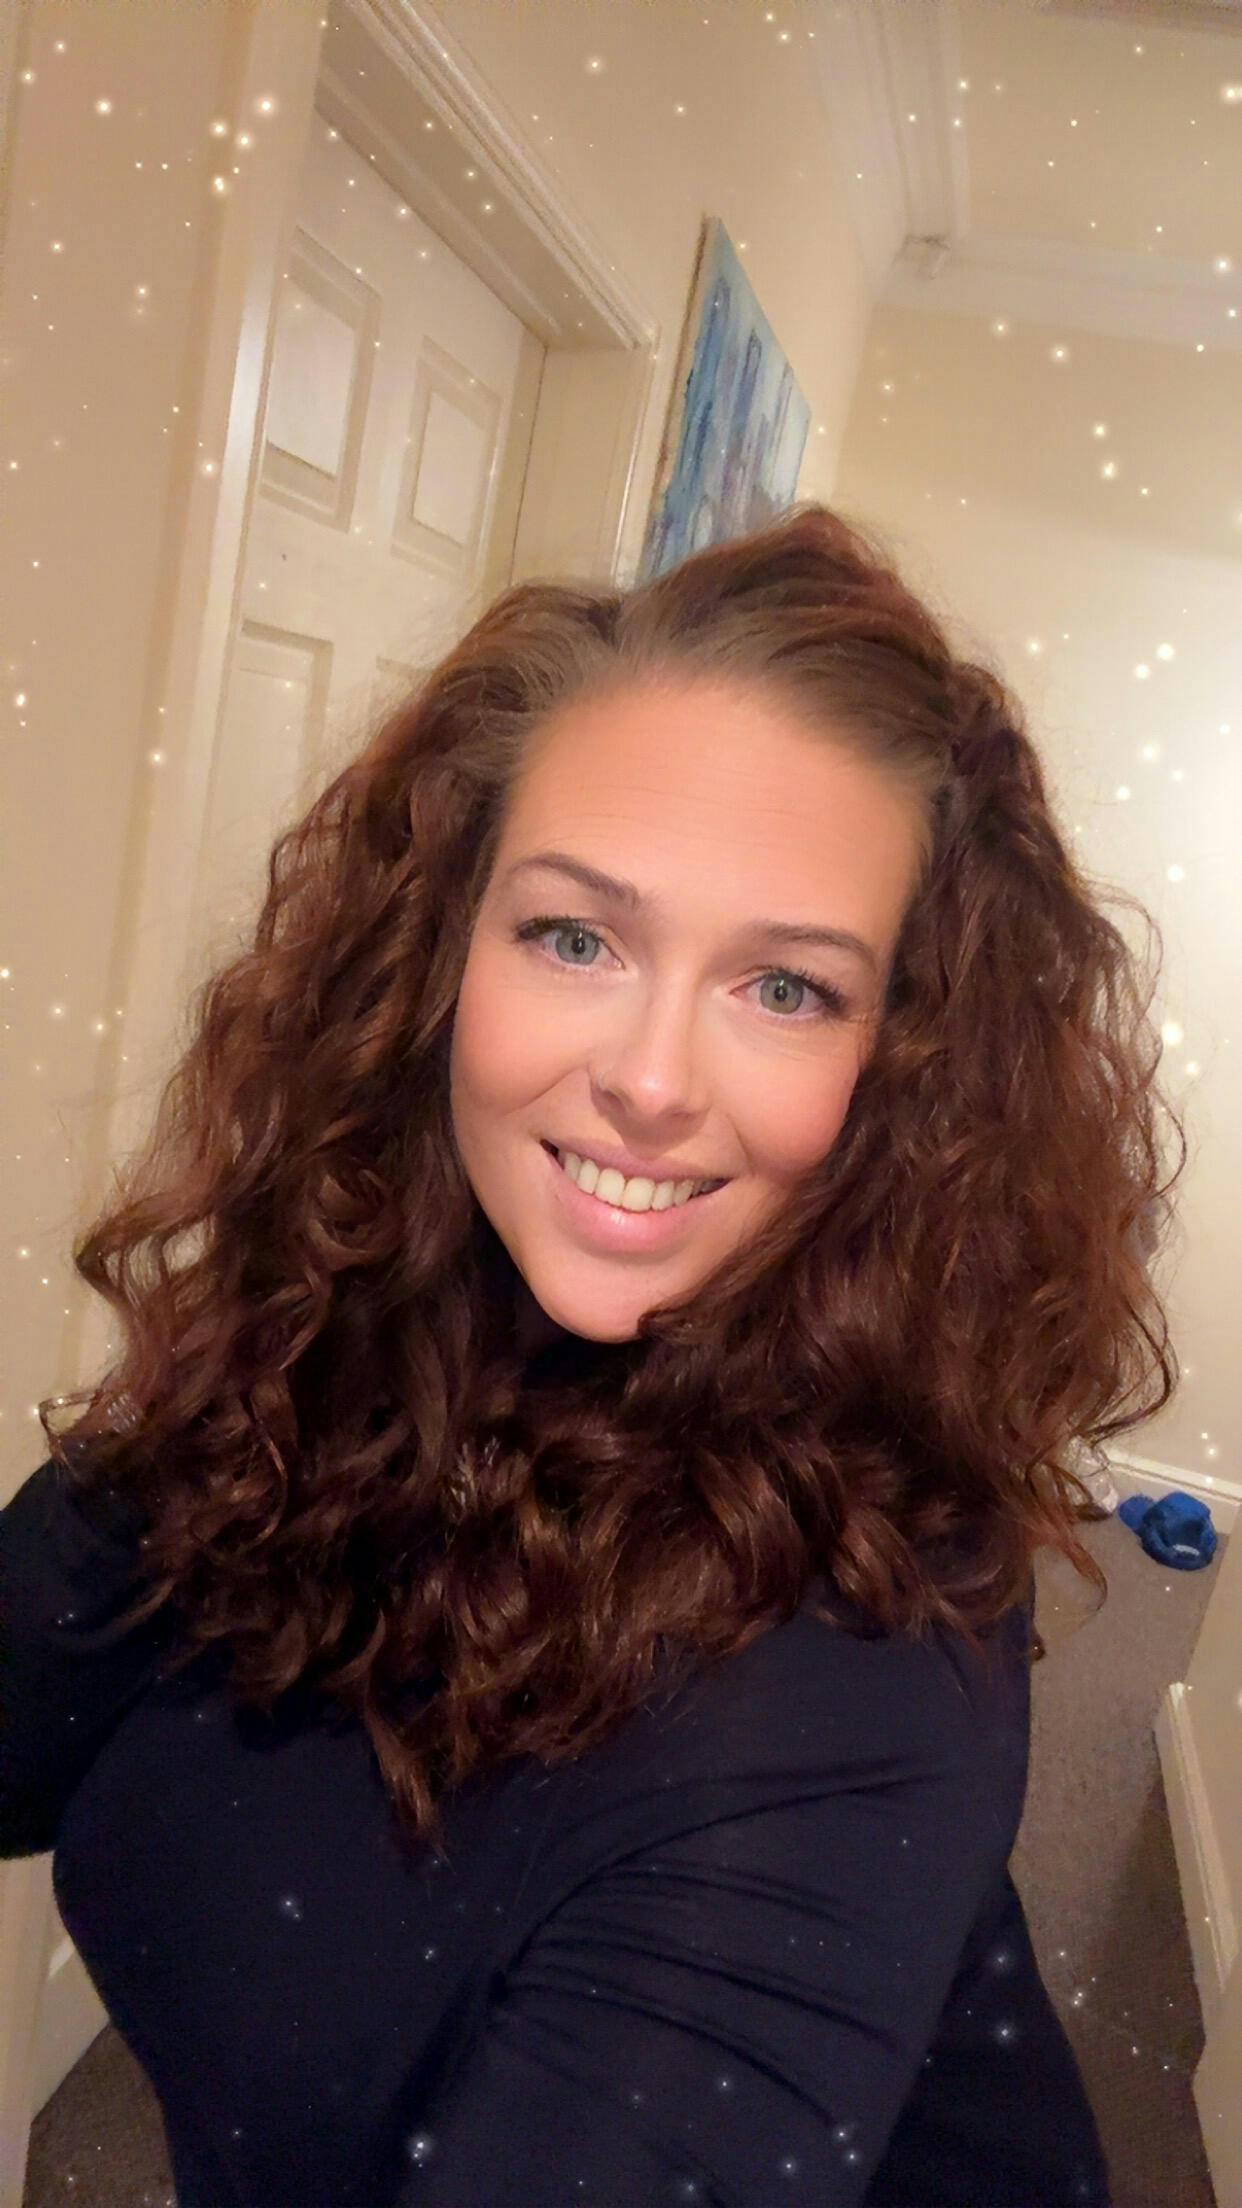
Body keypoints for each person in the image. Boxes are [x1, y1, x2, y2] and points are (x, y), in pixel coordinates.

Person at [2, 502, 1183, 2206]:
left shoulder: (860, 1676)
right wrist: (246, 1350)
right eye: (577, 939)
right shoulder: (339, 1349)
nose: (648, 1079)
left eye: (783, 989)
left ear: (900, 1067)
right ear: (434, 955)